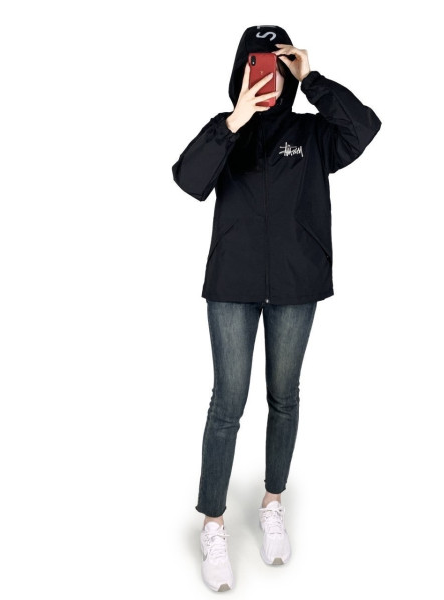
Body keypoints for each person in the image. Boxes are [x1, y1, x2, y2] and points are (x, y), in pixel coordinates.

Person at [172, 24, 381, 592]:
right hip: (232, 287)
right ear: (240, 69)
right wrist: (234, 120)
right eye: (256, 63)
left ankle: (271, 502)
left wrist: (313, 79)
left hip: (295, 285)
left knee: (284, 396)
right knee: (228, 402)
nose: (267, 73)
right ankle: (213, 523)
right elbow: (187, 180)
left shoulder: (312, 134)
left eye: (278, 64)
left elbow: (364, 128)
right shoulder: (227, 131)